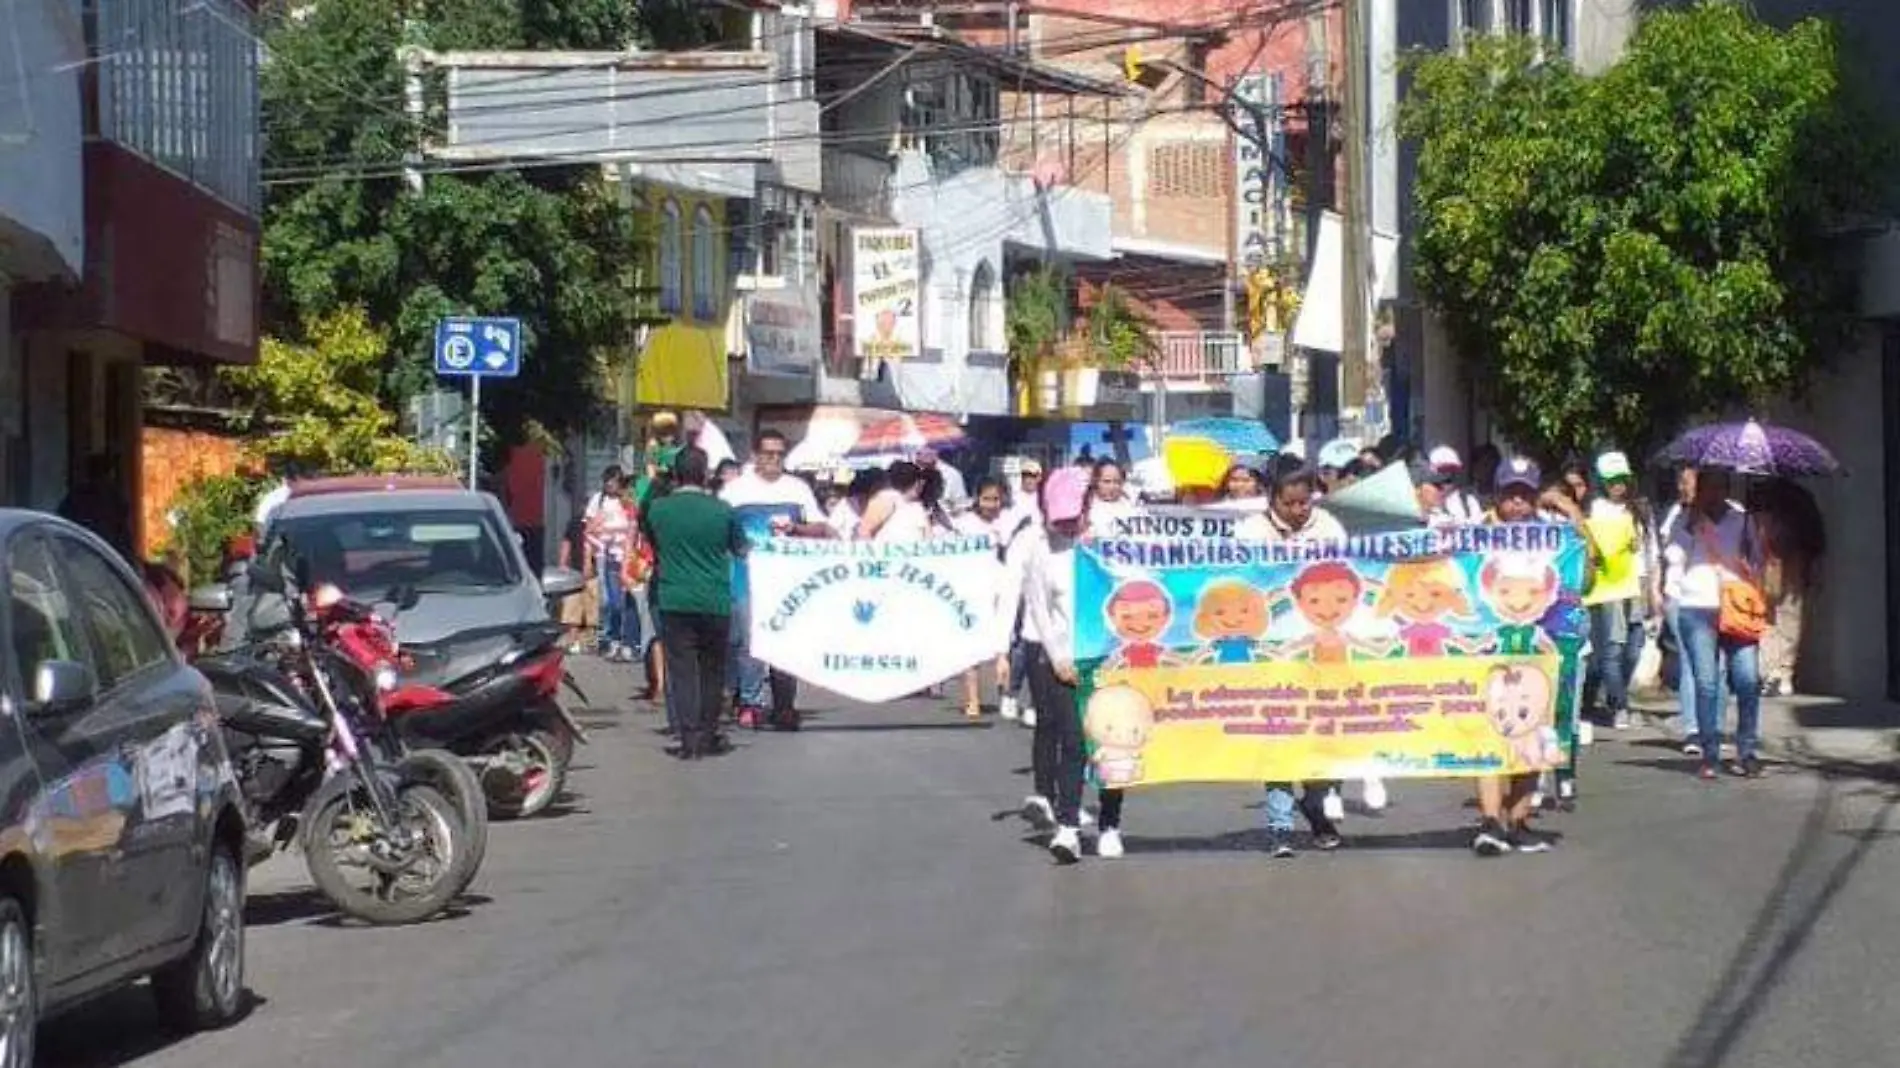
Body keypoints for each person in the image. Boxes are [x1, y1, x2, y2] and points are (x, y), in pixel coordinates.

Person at [1240, 465, 1349, 855]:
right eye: (1290, 504)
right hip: (1273, 650)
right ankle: (1280, 825)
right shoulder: (1250, 531)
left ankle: (1317, 809)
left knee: (1321, 736)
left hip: (1320, 649)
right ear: (1273, 500)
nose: (1299, 510)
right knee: (1280, 736)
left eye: (1305, 502)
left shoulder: (1329, 527)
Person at [1471, 458, 1566, 856]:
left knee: (1533, 733)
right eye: (1510, 495)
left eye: (1525, 496)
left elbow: (1586, 576)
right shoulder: (1475, 538)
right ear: (1497, 496)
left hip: (1538, 649)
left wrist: (1572, 512)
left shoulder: (1556, 538)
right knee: (1490, 734)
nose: (1517, 504)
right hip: (1489, 650)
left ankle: (1520, 819)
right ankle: (1491, 820)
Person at [1018, 467, 1113, 863]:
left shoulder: (1107, 545)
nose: (1068, 525)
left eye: (1074, 516)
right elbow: (1038, 607)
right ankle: (1069, 827)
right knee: (1072, 741)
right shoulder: (1043, 549)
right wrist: (1058, 658)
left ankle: (1111, 823)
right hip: (1063, 660)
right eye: (1060, 518)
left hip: (1106, 658)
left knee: (1110, 745)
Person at [641, 447, 746, 760]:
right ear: (705, 474)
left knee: (683, 671)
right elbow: (740, 548)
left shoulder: (658, 509)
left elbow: (653, 542)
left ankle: (688, 739)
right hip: (715, 600)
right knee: (712, 672)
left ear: (675, 473)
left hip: (674, 598)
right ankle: (709, 733)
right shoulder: (723, 510)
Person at [721, 429, 830, 731]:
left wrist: (797, 529)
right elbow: (721, 531)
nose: (774, 459)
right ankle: (750, 702)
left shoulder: (797, 489)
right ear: (754, 455)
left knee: (784, 643)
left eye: (780, 454)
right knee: (749, 642)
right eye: (768, 453)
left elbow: (823, 529)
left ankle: (784, 704)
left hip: (788, 581)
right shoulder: (735, 491)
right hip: (746, 579)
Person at [1665, 467, 1765, 780]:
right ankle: (1710, 753)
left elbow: (1759, 560)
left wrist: (1751, 555)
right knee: (1707, 683)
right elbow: (1673, 557)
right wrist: (1690, 527)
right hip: (1697, 607)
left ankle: (1746, 750)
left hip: (1735, 606)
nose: (1713, 492)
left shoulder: (1742, 517)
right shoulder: (1684, 519)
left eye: (1720, 485)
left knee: (1748, 680)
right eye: (1707, 486)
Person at [1582, 451, 1653, 731]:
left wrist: (1651, 587)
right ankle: (1619, 705)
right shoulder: (1593, 510)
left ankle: (1607, 696)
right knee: (1612, 649)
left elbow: (1648, 552)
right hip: (1606, 590)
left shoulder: (1638, 510)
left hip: (1635, 586)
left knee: (1635, 647)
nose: (1618, 486)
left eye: (1622, 479)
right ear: (1602, 482)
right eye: (1612, 481)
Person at [1750, 478, 1824, 697]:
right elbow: (1815, 537)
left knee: (1768, 618)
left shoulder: (1758, 499)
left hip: (1770, 561)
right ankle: (1781, 672)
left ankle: (1770, 671)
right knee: (1789, 618)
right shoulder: (1801, 498)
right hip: (1792, 561)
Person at [957, 477, 1015, 719]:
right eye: (987, 499)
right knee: (970, 646)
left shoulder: (1008, 523)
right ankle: (972, 698)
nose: (991, 504)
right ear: (977, 499)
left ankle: (1006, 695)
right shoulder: (964, 524)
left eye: (996, 499)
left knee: (1003, 644)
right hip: (970, 587)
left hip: (1000, 587)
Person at [583, 467, 639, 662]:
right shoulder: (600, 502)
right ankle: (612, 638)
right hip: (608, 558)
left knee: (629, 603)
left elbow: (634, 530)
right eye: (608, 481)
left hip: (630, 559)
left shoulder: (629, 503)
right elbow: (589, 531)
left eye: (615, 482)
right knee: (611, 602)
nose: (611, 485)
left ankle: (629, 642)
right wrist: (595, 551)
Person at [59, 454, 137, 563]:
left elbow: (62, 519)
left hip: (85, 552)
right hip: (105, 554)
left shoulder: (78, 495)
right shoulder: (113, 496)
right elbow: (123, 532)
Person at [859, 461, 931, 542]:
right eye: (920, 481)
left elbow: (928, 536)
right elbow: (864, 532)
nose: (922, 484)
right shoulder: (886, 499)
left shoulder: (918, 506)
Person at [1427, 445, 1486, 522]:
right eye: (1443, 471)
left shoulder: (1468, 502)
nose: (1448, 474)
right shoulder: (1422, 503)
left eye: (1452, 470)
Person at [1087, 458, 1142, 530]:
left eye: (1117, 482)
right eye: (1106, 481)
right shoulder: (1087, 508)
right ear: (1096, 482)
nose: (1112, 487)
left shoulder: (1133, 505)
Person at [915, 447, 968, 515]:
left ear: (935, 453)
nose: (924, 454)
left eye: (928, 451)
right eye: (919, 453)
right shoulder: (910, 472)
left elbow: (961, 505)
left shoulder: (952, 474)